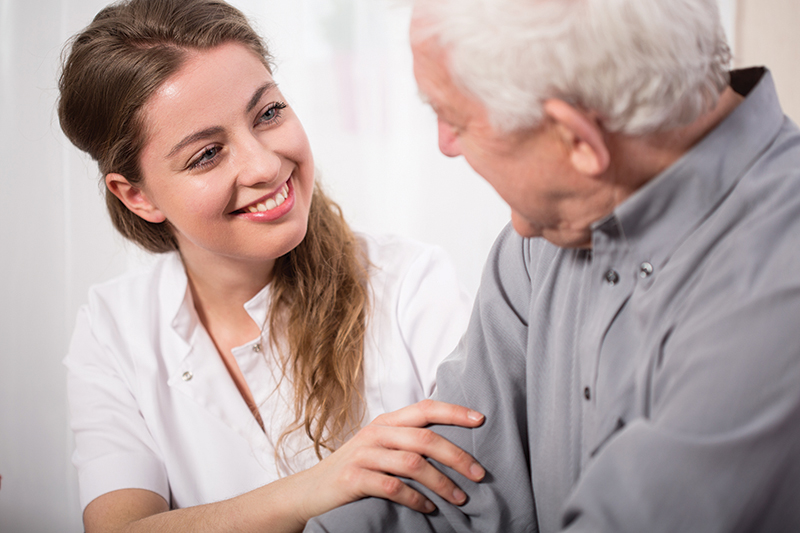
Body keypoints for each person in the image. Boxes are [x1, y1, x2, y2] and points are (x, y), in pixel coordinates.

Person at [304, 0, 800, 531]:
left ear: (578, 141)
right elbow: (439, 486)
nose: (445, 146)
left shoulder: (777, 287)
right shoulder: (544, 236)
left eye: (453, 117)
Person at [59, 1, 488, 531]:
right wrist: (318, 485)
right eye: (207, 154)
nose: (265, 165)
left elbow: (490, 497)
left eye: (268, 113)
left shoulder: (412, 286)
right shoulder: (113, 328)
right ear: (137, 195)